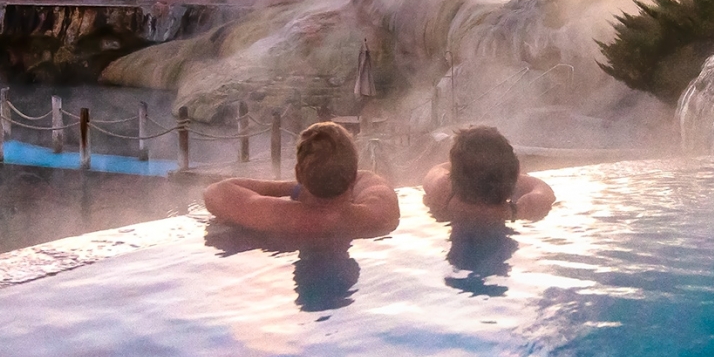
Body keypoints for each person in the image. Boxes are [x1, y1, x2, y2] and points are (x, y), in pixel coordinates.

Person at [204, 122, 400, 238]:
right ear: (352, 177)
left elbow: (214, 192)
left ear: (298, 174)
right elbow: (368, 178)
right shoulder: (377, 213)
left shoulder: (281, 217)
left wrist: (296, 187)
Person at [422, 126, 555, 225]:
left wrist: (464, 165)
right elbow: (542, 189)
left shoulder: (442, 190)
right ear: (513, 176)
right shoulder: (525, 208)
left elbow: (436, 171)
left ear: (454, 178)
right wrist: (516, 209)